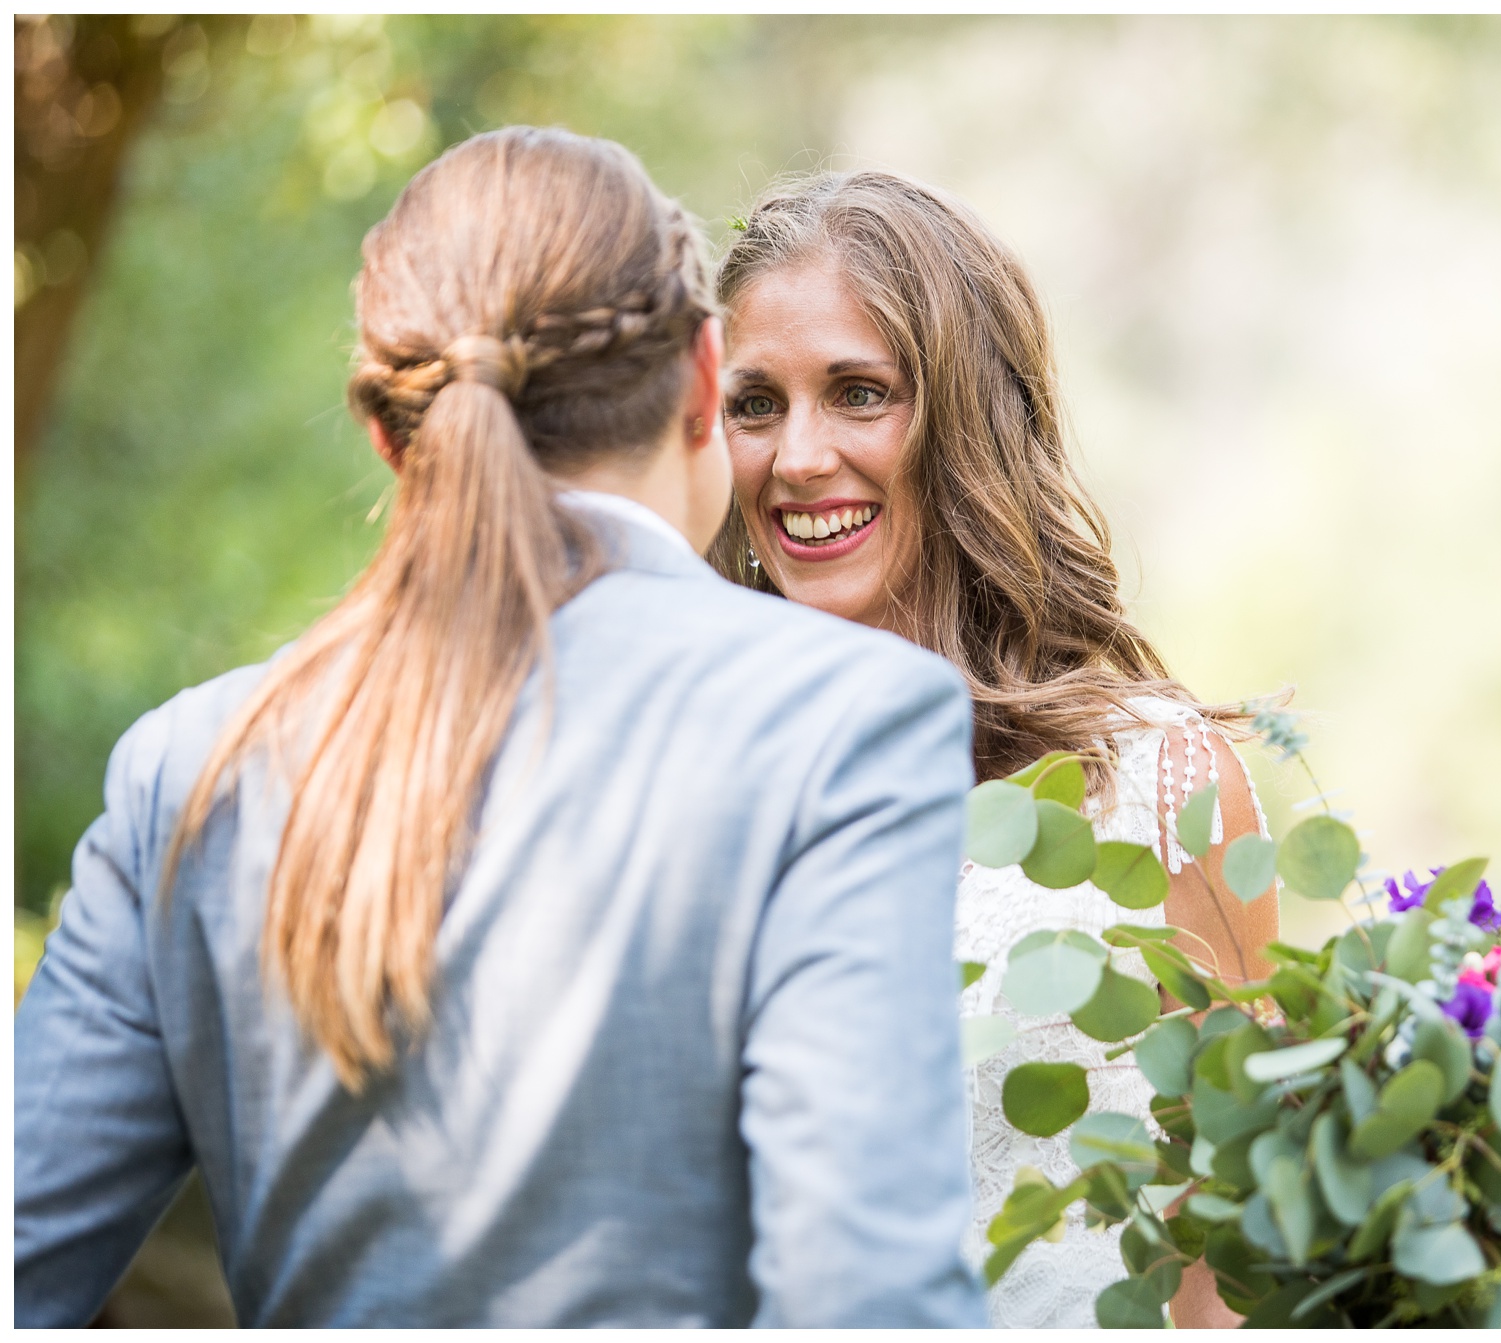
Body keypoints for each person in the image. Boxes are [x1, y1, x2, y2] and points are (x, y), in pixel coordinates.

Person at [14, 129, 986, 1328]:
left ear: (385, 432)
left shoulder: (192, 763)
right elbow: (867, 1302)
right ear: (700, 376)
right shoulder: (838, 720)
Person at [711, 169, 1279, 1328]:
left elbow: (1224, 1264)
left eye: (858, 393)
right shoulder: (682, 774)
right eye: (755, 404)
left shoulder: (1158, 782)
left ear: (968, 418)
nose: (798, 456)